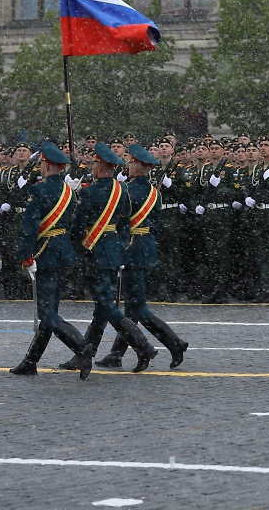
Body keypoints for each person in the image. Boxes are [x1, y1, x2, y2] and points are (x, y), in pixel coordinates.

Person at [61, 143, 158, 373]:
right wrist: (118, 244)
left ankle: (143, 346)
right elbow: (124, 222)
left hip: (95, 251)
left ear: (102, 167)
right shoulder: (122, 190)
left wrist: (78, 245)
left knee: (107, 306)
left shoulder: (89, 192)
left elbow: (76, 226)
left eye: (94, 163)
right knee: (102, 307)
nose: (92, 166)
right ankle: (85, 352)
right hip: (113, 251)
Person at [95, 144, 190, 370]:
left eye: (130, 164)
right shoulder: (154, 192)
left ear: (137, 167)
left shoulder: (125, 191)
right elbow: (154, 225)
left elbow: (120, 222)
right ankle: (116, 354)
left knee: (137, 307)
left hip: (130, 249)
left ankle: (173, 342)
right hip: (146, 247)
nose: (128, 167)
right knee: (132, 306)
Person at [9, 142, 97, 379]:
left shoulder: (37, 190)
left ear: (47, 165)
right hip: (62, 251)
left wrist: (25, 255)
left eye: (40, 164)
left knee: (47, 314)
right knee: (50, 312)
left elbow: (30, 228)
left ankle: (82, 347)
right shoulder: (69, 191)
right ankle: (31, 361)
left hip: (45, 252)